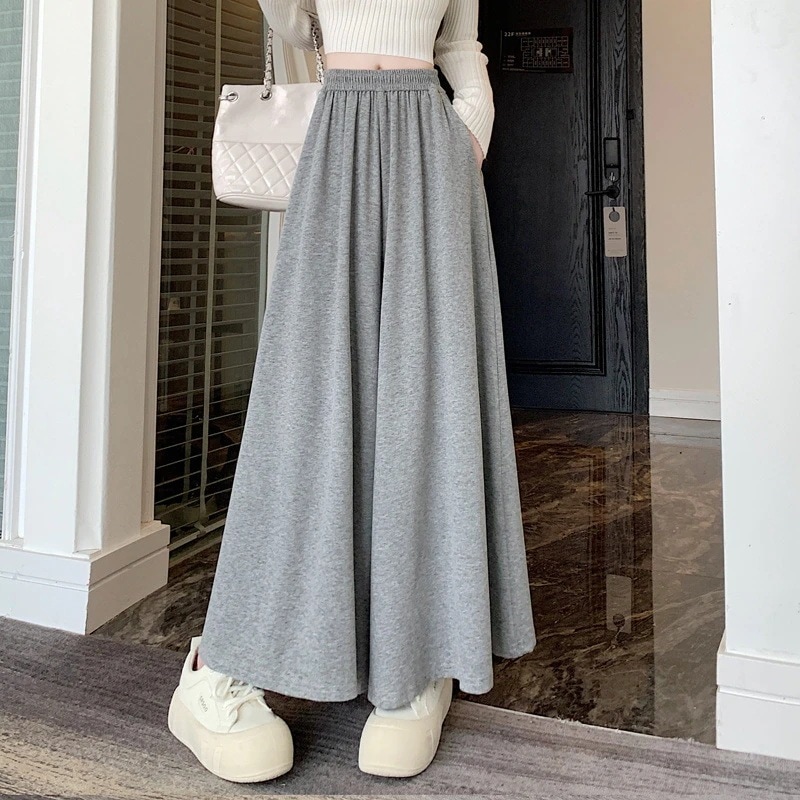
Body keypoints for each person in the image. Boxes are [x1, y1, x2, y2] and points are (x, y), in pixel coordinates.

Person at [167, 0, 536, 783]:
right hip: (336, 136)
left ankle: (417, 658)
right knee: (305, 407)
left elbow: (462, 49)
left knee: (426, 404)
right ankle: (218, 663)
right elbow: (295, 27)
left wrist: (466, 134)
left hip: (431, 146)